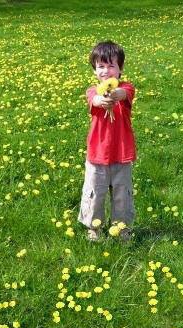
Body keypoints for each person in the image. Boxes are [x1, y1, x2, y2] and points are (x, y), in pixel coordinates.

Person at [78, 40, 136, 241]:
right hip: (97, 155)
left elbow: (123, 93)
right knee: (95, 193)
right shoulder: (93, 91)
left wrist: (115, 93)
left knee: (122, 195)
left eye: (111, 65)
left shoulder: (126, 89)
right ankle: (94, 227)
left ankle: (122, 229)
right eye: (101, 66)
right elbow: (93, 99)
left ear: (120, 69)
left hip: (122, 154)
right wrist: (100, 99)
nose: (106, 71)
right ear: (95, 71)